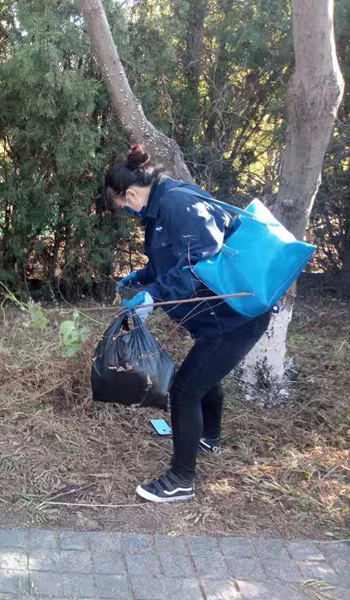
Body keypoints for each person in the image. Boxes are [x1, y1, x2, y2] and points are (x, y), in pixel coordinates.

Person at [104, 144, 271, 503]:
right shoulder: (162, 205)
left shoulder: (177, 204)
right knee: (204, 374)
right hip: (220, 315)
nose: (127, 211)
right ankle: (209, 438)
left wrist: (153, 295)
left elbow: (201, 263)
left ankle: (181, 479)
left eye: (122, 205)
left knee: (185, 389)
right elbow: (173, 258)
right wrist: (142, 277)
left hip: (236, 315)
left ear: (130, 194)